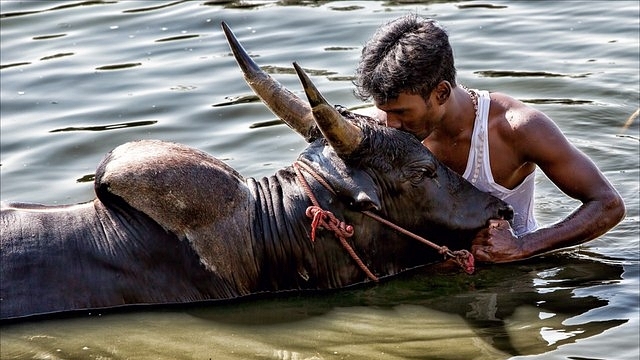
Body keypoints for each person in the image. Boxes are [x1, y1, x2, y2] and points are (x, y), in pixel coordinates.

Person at [353, 14, 625, 263]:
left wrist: (522, 246)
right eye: (384, 111)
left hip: (508, 274)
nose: (391, 124)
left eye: (401, 112)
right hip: (429, 268)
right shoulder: (382, 127)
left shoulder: (516, 128)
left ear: (441, 93)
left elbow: (608, 205)